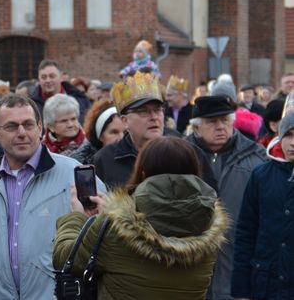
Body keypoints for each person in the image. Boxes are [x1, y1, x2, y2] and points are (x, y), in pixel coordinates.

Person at [0, 94, 105, 299]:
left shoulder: (74, 176)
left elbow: (107, 252)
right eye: (12, 126)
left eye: (28, 124)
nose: (22, 133)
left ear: (40, 128)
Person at [53, 136, 228, 300]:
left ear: (143, 172)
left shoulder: (113, 227)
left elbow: (65, 258)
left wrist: (77, 217)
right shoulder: (209, 227)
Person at [185, 95, 267, 300]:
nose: (220, 127)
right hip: (190, 276)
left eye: (225, 120)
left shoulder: (257, 158)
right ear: (196, 128)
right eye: (212, 122)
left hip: (238, 278)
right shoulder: (179, 156)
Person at [231, 112, 294, 300]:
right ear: (280, 136)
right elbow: (246, 232)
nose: (293, 142)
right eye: (289, 135)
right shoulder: (261, 175)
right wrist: (241, 290)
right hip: (267, 283)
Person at [93, 71, 180, 188]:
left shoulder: (184, 151)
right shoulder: (104, 159)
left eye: (158, 109)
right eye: (143, 111)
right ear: (125, 121)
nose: (154, 117)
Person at [30, 59, 91, 124]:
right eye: (43, 77)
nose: (48, 80)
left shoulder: (80, 99)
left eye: (52, 76)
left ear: (61, 77)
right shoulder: (32, 106)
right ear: (39, 80)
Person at [70, 100, 124, 164]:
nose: (121, 137)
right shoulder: (80, 163)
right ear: (100, 136)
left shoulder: (137, 157)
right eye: (114, 132)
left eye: (126, 132)